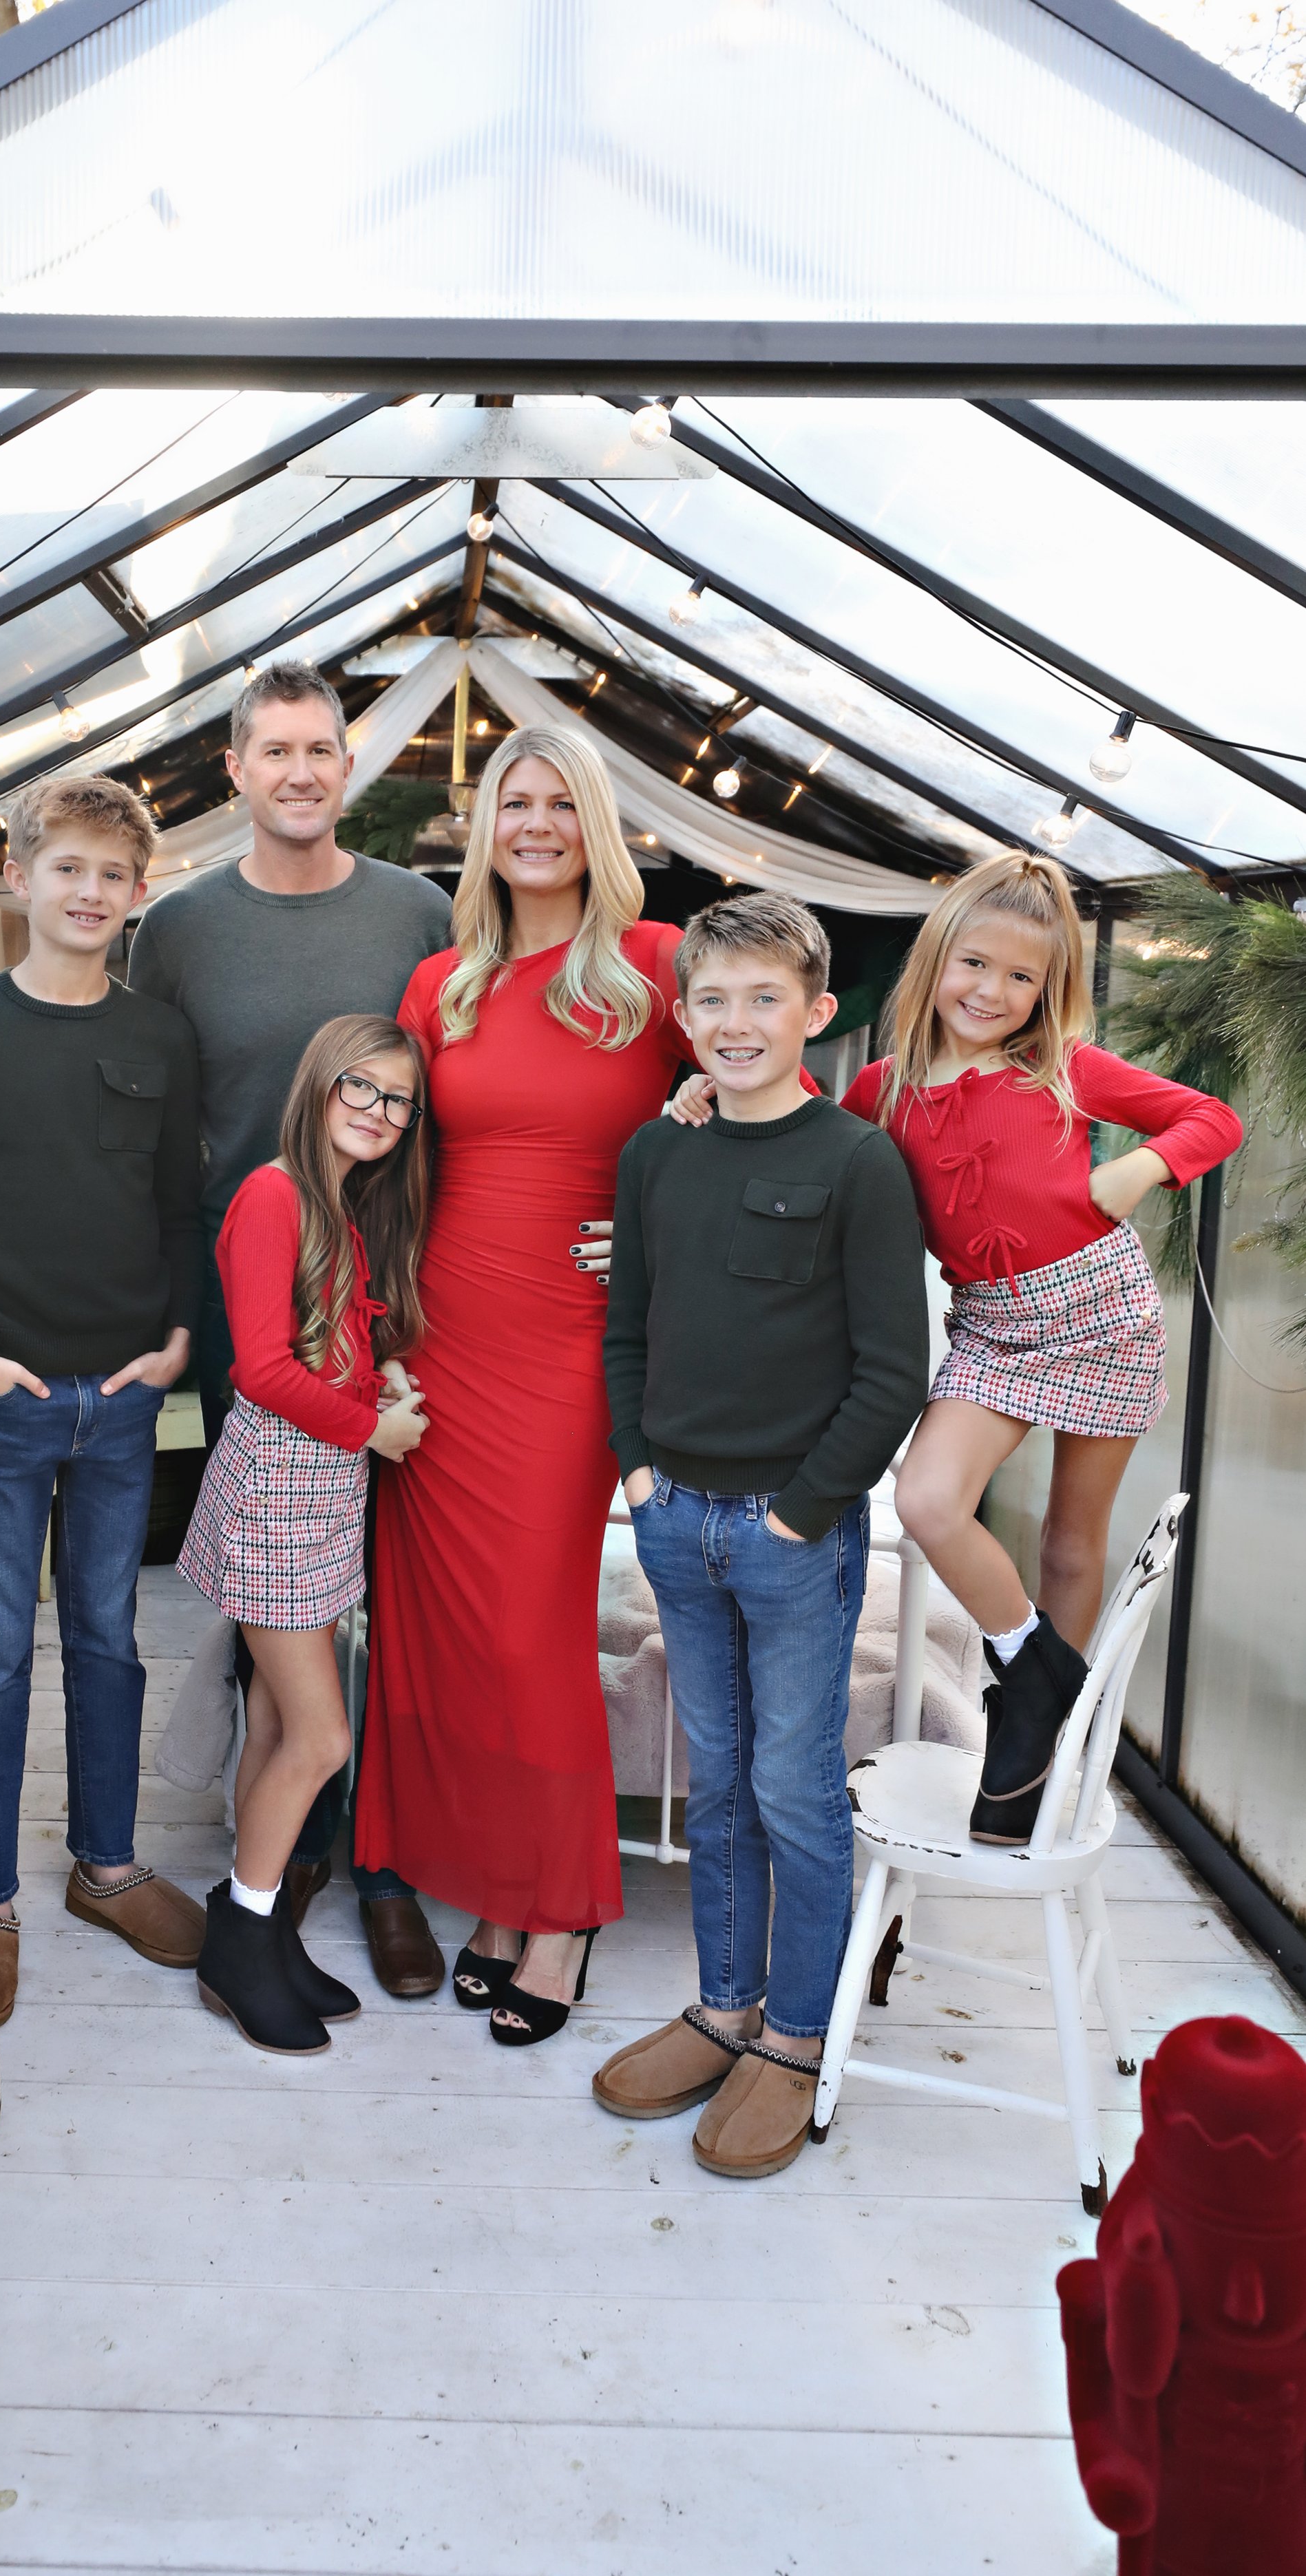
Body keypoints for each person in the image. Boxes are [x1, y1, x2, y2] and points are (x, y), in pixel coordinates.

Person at [353, 722, 696, 2045]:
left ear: (595, 823)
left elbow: (754, 1094)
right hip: (440, 1333)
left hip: (572, 1344)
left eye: (561, 803)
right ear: (486, 828)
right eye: (516, 803)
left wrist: (659, 1221)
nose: (538, 824)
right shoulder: (440, 980)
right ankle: (499, 1898)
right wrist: (377, 1332)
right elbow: (388, 1163)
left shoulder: (655, 968)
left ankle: (564, 1912)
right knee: (441, 1637)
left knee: (529, 1631)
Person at [127, 660, 452, 1998]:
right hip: (243, 1285)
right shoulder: (182, 928)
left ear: (347, 765)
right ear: (237, 771)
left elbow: (454, 1085)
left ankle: (376, 1865)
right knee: (280, 1592)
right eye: (276, 751)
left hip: (384, 1290)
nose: (303, 772)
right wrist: (165, 1319)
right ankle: (283, 1857)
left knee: (390, 1585)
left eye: (323, 749)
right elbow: (151, 1127)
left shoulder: (416, 909)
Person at [591, 892, 929, 2177]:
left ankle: (797, 2035)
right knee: (717, 1781)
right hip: (674, 1518)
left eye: (763, 999)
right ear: (682, 1017)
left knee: (795, 1789)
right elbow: (626, 1326)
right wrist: (636, 1473)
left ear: (816, 1014)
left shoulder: (855, 1163)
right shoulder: (658, 1152)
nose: (736, 1024)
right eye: (713, 1000)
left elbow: (892, 1370)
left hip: (794, 1532)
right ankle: (721, 2008)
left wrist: (803, 1511)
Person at [0, 776, 205, 2031]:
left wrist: (178, 1335)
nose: (89, 892)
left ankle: (108, 1867)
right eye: (66, 868)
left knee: (113, 1641)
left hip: (123, 1397)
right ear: (17, 877)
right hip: (5, 1394)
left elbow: (180, 1203)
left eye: (113, 875)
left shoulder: (157, 1039)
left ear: (138, 895)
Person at [838, 849, 1242, 1844]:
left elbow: (1212, 1116)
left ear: (1047, 992)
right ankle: (1039, 1666)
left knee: (1070, 1541)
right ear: (936, 960)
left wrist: (1144, 1164)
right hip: (992, 1327)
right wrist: (702, 1106)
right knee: (930, 1497)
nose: (994, 991)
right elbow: (808, 1152)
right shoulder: (884, 1092)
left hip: (1103, 1314)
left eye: (1023, 978)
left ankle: (1028, 1769)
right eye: (976, 964)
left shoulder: (1062, 1069)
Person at [180, 1016, 431, 2053]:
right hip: (282, 1488)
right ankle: (239, 1938)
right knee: (324, 1737)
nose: (377, 1111)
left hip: (320, 1489)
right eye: (360, 1089)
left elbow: (322, 1344)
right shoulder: (275, 1192)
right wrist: (376, 1426)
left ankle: (262, 1921)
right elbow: (262, 1369)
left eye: (397, 1099)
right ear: (319, 1084)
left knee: (286, 1726)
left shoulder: (340, 1202)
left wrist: (382, 1378)